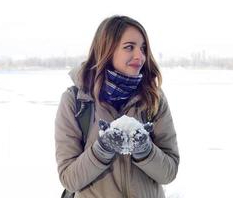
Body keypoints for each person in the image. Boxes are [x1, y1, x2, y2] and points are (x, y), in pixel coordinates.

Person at [55, 15, 179, 198]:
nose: (140, 56)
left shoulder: (154, 99)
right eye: (129, 47)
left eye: (143, 48)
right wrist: (102, 149)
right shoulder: (76, 101)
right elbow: (69, 179)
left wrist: (145, 149)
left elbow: (169, 173)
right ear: (106, 50)